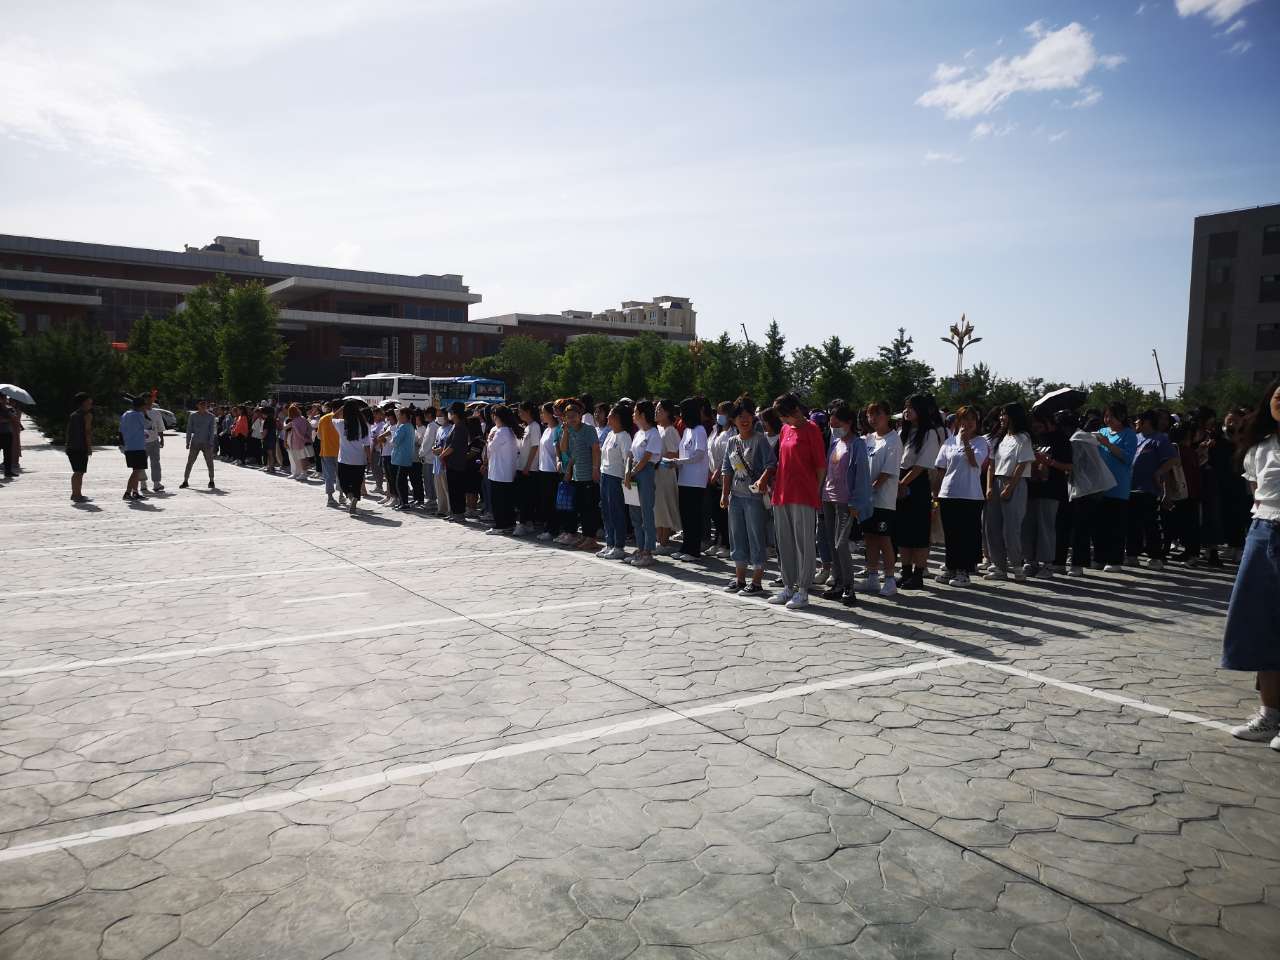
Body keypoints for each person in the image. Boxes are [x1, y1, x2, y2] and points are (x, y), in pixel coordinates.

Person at [1223, 379, 1280, 751]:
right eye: (1277, 395)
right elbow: (1259, 492)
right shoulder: (1260, 447)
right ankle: (1270, 714)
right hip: (1264, 531)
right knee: (1261, 625)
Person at [768, 393, 826, 608]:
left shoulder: (812, 429)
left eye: (784, 415)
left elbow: (820, 466)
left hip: (804, 494)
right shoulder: (785, 430)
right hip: (782, 492)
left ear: (795, 410)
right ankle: (788, 586)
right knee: (784, 542)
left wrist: (815, 491)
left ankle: (803, 590)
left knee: (804, 543)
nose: (782, 420)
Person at [721, 401, 778, 594]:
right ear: (733, 420)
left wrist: (763, 479)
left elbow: (771, 464)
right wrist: (725, 494)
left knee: (756, 537)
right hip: (736, 497)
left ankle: (757, 581)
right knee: (737, 537)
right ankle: (739, 578)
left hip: (754, 497)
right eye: (740, 417)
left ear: (753, 418)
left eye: (747, 416)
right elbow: (726, 469)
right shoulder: (732, 441)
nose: (744, 420)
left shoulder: (760, 440)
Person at [818, 404, 869, 604]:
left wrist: (856, 502)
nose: (833, 427)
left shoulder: (857, 444)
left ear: (848, 422)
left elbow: (862, 475)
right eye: (831, 423)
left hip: (846, 502)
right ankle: (838, 583)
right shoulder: (835, 443)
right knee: (832, 543)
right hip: (828, 498)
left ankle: (849, 586)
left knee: (841, 544)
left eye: (837, 423)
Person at [933, 405, 989, 585]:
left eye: (972, 419)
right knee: (951, 534)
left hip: (970, 495)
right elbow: (941, 468)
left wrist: (966, 442)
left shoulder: (980, 442)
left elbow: (974, 462)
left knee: (966, 534)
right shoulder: (949, 442)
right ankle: (951, 567)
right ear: (958, 421)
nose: (969, 422)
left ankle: (964, 571)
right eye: (965, 418)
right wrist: (935, 492)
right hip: (948, 493)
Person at [896, 394, 945, 589]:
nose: (907, 411)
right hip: (900, 480)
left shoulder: (929, 433)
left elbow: (922, 464)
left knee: (918, 532)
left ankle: (918, 574)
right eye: (905, 407)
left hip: (917, 484)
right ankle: (905, 571)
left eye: (911, 407)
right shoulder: (903, 431)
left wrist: (903, 483)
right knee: (903, 531)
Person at [860, 401, 902, 597]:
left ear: (887, 416)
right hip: (867, 500)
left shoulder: (893, 439)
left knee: (884, 539)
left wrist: (872, 489)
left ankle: (890, 579)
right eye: (870, 415)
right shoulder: (868, 439)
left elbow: (887, 472)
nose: (873, 418)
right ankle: (872, 577)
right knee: (869, 537)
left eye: (878, 414)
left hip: (883, 500)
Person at [1022, 411, 1072, 578]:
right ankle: (1030, 561)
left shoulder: (1061, 439)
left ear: (1047, 421)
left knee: (1046, 527)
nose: (1034, 426)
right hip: (1031, 488)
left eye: (1037, 422)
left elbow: (1069, 467)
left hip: (1052, 490)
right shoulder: (1031, 438)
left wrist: (1049, 462)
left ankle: (1048, 564)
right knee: (1028, 526)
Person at [1127, 410, 1178, 568]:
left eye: (1138, 420)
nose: (1136, 423)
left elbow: (1173, 459)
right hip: (1131, 487)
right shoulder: (1135, 438)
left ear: (1147, 422)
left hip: (1149, 488)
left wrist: (1159, 472)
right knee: (1132, 523)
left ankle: (1155, 556)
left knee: (1150, 523)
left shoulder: (1160, 439)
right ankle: (1132, 554)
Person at [1095, 401, 1138, 571]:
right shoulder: (1102, 431)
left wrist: (1108, 444)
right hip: (1100, 485)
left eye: (1112, 416)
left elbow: (1127, 458)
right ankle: (1099, 557)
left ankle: (1114, 560)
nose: (1108, 419)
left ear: (1122, 416)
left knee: (1116, 526)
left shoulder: (1129, 434)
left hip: (1119, 486)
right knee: (1100, 525)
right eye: (1106, 416)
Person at [668, 398, 709, 562]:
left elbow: (698, 455)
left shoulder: (700, 430)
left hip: (696, 480)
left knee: (693, 516)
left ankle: (694, 550)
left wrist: (679, 462)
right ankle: (686, 547)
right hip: (684, 479)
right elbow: (683, 453)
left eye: (682, 412)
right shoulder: (686, 431)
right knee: (685, 515)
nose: (680, 415)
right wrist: (676, 462)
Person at [562, 401, 602, 551]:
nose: (571, 419)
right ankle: (585, 536)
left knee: (589, 508)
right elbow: (564, 449)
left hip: (589, 474)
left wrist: (595, 469)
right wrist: (566, 432)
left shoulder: (588, 429)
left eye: (573, 416)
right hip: (577, 475)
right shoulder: (570, 430)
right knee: (581, 507)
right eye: (568, 416)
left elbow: (596, 450)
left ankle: (591, 538)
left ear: (580, 416)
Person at [627, 400, 663, 567]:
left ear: (642, 414)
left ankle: (648, 550)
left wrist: (632, 472)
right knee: (635, 512)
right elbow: (630, 454)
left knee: (646, 512)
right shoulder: (638, 433)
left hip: (645, 473)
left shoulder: (653, 433)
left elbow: (646, 458)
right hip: (632, 473)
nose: (633, 415)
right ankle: (640, 548)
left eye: (635, 412)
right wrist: (627, 472)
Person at [598, 404, 634, 558]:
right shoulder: (610, 434)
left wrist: (627, 476)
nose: (608, 417)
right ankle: (610, 543)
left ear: (618, 418)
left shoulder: (624, 436)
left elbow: (628, 459)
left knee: (616, 511)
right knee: (606, 511)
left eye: (611, 414)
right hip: (604, 475)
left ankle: (619, 546)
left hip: (616, 478)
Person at [484, 404, 519, 533]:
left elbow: (490, 449)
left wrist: (489, 439)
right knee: (507, 500)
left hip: (499, 472)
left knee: (498, 501)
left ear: (497, 417)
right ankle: (509, 524)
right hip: (506, 472)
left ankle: (501, 526)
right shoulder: (509, 430)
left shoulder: (501, 432)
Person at [653, 400, 682, 555]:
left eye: (660, 410)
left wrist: (656, 458)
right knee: (657, 508)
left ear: (668, 413)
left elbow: (674, 454)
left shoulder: (670, 431)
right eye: (656, 409)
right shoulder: (657, 429)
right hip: (655, 473)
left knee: (664, 506)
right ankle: (659, 539)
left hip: (664, 473)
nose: (656, 412)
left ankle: (664, 542)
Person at [333, 401, 371, 515]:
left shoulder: (341, 423)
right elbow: (367, 445)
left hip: (344, 459)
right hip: (359, 459)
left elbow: (333, 417)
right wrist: (369, 459)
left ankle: (350, 497)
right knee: (356, 483)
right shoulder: (363, 425)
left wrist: (341, 407)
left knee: (343, 482)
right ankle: (355, 498)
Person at [707, 401, 735, 558]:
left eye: (722, 413)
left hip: (724, 476)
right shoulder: (715, 430)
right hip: (711, 475)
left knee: (724, 513)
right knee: (715, 512)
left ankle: (727, 544)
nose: (719, 416)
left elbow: (728, 455)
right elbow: (709, 451)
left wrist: (718, 471)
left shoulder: (733, 432)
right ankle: (718, 541)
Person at [514, 402, 542, 536]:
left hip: (529, 468)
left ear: (528, 411)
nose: (519, 414)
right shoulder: (527, 427)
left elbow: (535, 447)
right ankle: (528, 523)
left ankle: (522, 523)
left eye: (521, 411)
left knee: (525, 498)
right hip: (522, 466)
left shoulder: (535, 426)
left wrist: (528, 466)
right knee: (524, 497)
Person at [440, 402, 471, 522]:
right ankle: (454, 512)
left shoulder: (460, 427)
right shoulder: (455, 425)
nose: (448, 414)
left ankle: (459, 514)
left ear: (455, 413)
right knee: (452, 489)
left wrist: (442, 455)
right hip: (451, 463)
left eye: (450, 412)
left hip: (457, 463)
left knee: (457, 489)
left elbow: (453, 446)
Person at [181, 398, 217, 490]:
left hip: (206, 443)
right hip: (195, 442)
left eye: (204, 404)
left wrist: (211, 442)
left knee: (210, 462)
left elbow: (212, 430)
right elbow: (189, 429)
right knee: (190, 462)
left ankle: (211, 480)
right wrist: (187, 441)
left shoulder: (211, 416)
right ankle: (185, 480)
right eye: (201, 404)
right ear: (197, 405)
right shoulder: (193, 416)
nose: (203, 406)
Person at [119, 395, 149, 501]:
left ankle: (135, 492)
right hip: (138, 446)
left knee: (136, 470)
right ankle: (127, 492)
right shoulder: (139, 415)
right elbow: (146, 426)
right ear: (141, 406)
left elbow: (121, 430)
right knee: (136, 471)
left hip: (128, 446)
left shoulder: (125, 414)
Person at [66, 392, 94, 502]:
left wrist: (67, 445)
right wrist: (89, 447)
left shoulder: (73, 414)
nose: (91, 403)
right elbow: (87, 432)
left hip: (71, 447)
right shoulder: (87, 415)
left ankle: (76, 494)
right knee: (79, 472)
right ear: (84, 402)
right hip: (80, 447)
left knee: (78, 471)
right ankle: (76, 495)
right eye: (89, 401)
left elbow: (69, 432)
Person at [390, 408, 417, 510]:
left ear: (404, 416)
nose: (398, 417)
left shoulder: (403, 427)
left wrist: (393, 436)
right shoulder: (410, 426)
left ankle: (404, 503)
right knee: (402, 481)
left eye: (400, 415)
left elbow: (395, 441)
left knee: (400, 482)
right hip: (407, 457)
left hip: (401, 457)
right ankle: (403, 502)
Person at [316, 400, 342, 506]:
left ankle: (330, 498)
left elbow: (319, 436)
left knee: (329, 476)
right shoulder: (341, 419)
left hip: (326, 451)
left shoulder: (323, 418)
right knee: (341, 475)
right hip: (340, 452)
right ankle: (341, 495)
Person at [140, 396, 166, 493]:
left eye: (151, 401)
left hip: (154, 441)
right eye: (148, 401)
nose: (150, 402)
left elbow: (160, 427)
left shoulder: (156, 413)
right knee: (141, 463)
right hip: (141, 442)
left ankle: (156, 483)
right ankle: (143, 483)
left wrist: (162, 439)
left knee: (155, 462)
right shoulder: (139, 413)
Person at [284, 403, 313, 481]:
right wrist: (308, 437)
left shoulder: (293, 422)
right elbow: (310, 428)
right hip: (305, 442)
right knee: (304, 458)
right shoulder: (303, 418)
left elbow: (286, 428)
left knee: (301, 458)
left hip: (298, 442)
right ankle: (303, 473)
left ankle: (303, 474)